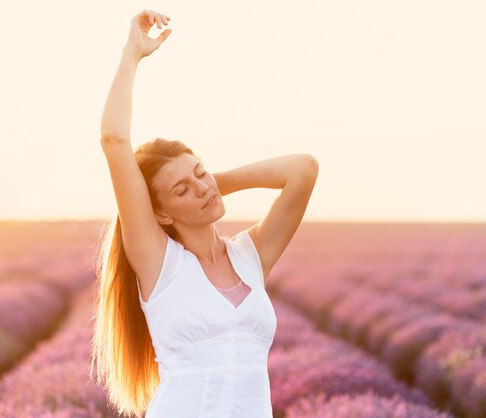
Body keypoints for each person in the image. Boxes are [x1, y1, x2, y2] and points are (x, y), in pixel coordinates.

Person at [89, 9, 318, 418]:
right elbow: (113, 138)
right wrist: (132, 54)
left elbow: (302, 169)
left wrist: (209, 185)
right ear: (158, 215)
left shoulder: (250, 256)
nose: (201, 187)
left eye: (200, 172)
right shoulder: (160, 264)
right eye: (182, 190)